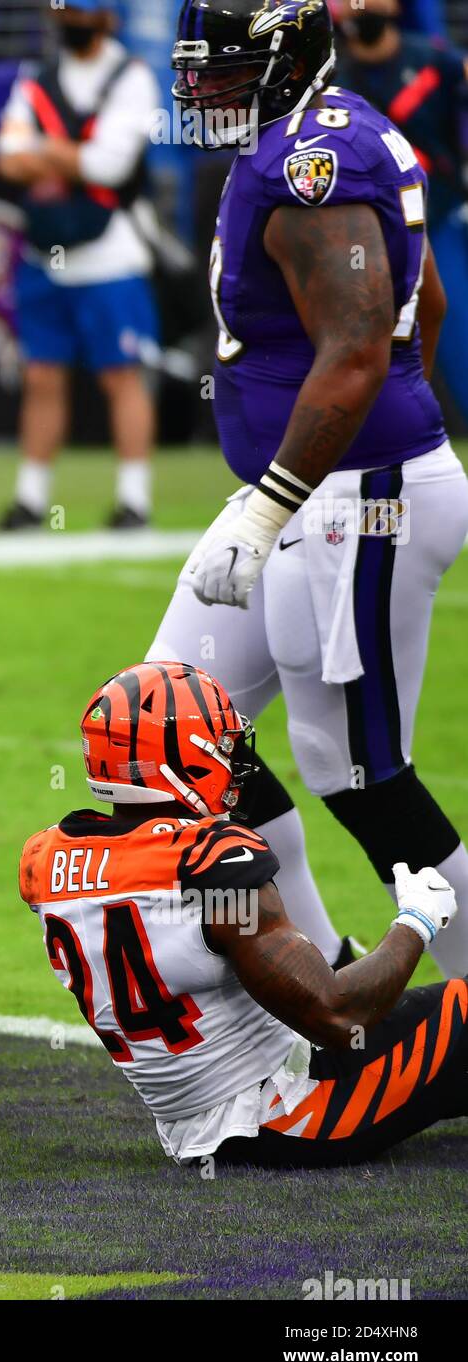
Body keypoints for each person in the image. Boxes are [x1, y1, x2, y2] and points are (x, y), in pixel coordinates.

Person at [147, 0, 468, 978]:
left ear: (290, 59)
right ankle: (328, 978)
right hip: (313, 491)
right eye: (197, 67)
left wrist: (273, 502)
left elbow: (364, 344)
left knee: (355, 770)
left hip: (355, 496)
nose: (203, 87)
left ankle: (462, 985)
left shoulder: (311, 160)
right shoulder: (303, 135)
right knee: (167, 731)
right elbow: (428, 308)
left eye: (228, 66)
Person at [20, 661, 462, 1167]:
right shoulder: (210, 857)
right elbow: (337, 1014)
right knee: (461, 1004)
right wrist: (417, 922)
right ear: (180, 761)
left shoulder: (46, 861)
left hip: (191, 1129)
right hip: (284, 1114)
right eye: (219, 745)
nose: (232, 760)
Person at [0, 0, 161, 531]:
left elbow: (110, 166)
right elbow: (6, 156)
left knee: (120, 376)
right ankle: (30, 500)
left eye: (84, 13)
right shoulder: (38, 75)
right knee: (41, 376)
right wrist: (72, 155)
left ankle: (133, 500)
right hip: (45, 256)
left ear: (108, 18)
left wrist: (42, 151)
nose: (72, 23)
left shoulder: (129, 77)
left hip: (111, 254)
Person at [334, 0, 468, 428]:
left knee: (449, 320)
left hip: (435, 216)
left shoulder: (437, 63)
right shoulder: (328, 70)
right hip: (358, 223)